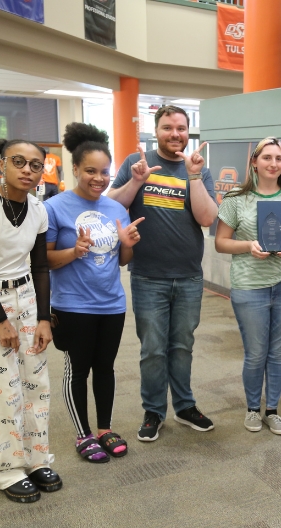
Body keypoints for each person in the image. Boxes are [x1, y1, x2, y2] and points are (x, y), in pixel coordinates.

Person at [109, 105, 218, 442]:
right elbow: (111, 203)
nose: (175, 134)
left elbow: (206, 218)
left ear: (189, 132)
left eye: (181, 128)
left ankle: (185, 406)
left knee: (182, 346)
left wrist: (195, 176)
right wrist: (137, 180)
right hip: (148, 276)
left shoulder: (199, 169)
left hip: (188, 276)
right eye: (168, 127)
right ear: (156, 131)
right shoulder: (135, 163)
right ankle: (154, 411)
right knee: (153, 348)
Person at [0, 138, 59, 503]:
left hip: (28, 298)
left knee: (36, 383)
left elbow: (41, 266)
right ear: (2, 163)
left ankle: (36, 460)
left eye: (36, 164)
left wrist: (44, 318)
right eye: (19, 161)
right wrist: (0, 319)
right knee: (2, 389)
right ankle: (7, 469)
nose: (28, 170)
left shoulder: (38, 208)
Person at [45, 123, 144, 463]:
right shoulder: (55, 207)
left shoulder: (116, 209)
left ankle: (104, 428)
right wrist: (75, 251)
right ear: (75, 169)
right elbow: (44, 260)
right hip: (72, 305)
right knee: (78, 368)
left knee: (105, 367)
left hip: (112, 303)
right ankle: (83, 434)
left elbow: (121, 261)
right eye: (90, 170)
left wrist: (128, 245)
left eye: (104, 172)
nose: (98, 178)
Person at [215, 137, 281, 435]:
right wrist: (248, 246)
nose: (273, 164)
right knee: (256, 353)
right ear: (254, 162)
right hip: (249, 287)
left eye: (279, 159)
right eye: (267, 157)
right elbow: (221, 242)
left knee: (277, 352)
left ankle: (272, 410)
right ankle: (252, 409)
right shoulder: (235, 197)